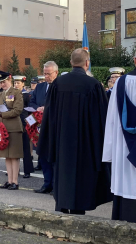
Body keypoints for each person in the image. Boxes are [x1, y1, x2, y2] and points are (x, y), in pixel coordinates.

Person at [38, 48, 112, 214]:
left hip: (62, 142)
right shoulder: (93, 85)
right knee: (81, 179)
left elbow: (49, 116)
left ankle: (62, 208)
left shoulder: (58, 84)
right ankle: (78, 212)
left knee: (63, 175)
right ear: (87, 63)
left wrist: (49, 143)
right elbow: (102, 119)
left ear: (71, 63)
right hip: (85, 144)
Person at [103, 54, 136, 223]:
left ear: (135, 60)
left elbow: (113, 120)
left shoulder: (121, 84)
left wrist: (108, 153)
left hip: (125, 146)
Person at [30, 61, 59, 193]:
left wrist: (46, 109)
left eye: (49, 74)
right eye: (44, 73)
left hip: (54, 127)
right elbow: (32, 102)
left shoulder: (60, 87)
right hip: (40, 128)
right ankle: (47, 183)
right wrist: (38, 108)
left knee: (54, 158)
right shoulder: (40, 87)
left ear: (56, 73)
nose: (46, 76)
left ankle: (55, 185)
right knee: (42, 155)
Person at [0, 72, 23, 189]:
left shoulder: (16, 92)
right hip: (3, 128)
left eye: (4, 82)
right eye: (0, 83)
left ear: (9, 79)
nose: (2, 84)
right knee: (7, 156)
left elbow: (18, 110)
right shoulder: (0, 95)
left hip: (14, 127)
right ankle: (9, 180)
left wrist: (3, 114)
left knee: (14, 155)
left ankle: (15, 181)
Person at [13, 75, 34, 179]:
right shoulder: (11, 95)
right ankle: (14, 170)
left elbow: (30, 109)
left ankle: (28, 170)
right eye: (15, 83)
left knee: (25, 147)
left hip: (24, 122)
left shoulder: (26, 95)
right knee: (14, 148)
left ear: (23, 84)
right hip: (14, 122)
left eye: (18, 83)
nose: (16, 85)